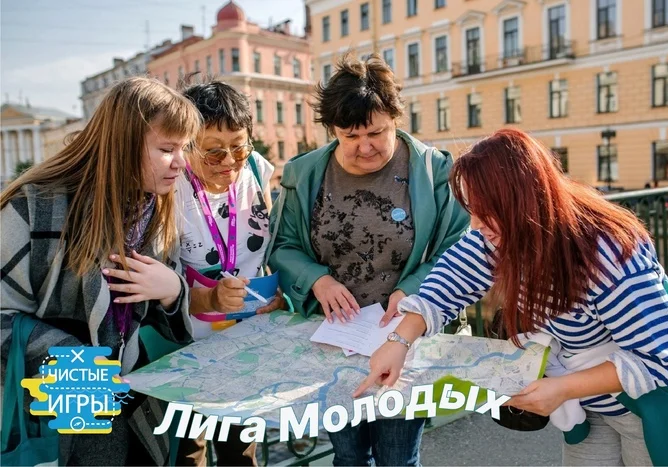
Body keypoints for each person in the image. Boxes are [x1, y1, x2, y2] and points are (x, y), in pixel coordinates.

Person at [356, 128, 668, 466]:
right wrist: (399, 341)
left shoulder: (605, 253)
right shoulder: (503, 233)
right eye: (471, 209)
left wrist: (561, 389)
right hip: (592, 404)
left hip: (651, 404)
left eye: (486, 212)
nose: (475, 226)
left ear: (524, 203)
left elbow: (661, 359)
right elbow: (449, 281)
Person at [268, 53, 469, 466]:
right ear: (333, 131)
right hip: (335, 342)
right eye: (349, 136)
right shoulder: (304, 173)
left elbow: (458, 250)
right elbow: (283, 245)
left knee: (398, 457)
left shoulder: (433, 170)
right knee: (348, 456)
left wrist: (412, 290)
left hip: (404, 338)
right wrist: (317, 280)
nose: (365, 147)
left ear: (396, 116)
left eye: (376, 132)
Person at [0, 77, 201, 465]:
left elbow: (168, 322)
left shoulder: (154, 208)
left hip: (131, 405)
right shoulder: (33, 205)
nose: (182, 162)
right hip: (56, 408)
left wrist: (172, 289)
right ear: (122, 146)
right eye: (167, 148)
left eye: (183, 148)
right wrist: (76, 360)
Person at [174, 78, 285, 466]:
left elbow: (272, 245)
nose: (229, 162)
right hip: (187, 347)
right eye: (213, 152)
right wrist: (209, 297)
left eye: (238, 146)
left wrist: (278, 291)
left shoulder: (256, 168)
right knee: (190, 453)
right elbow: (158, 273)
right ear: (187, 145)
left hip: (247, 342)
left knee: (242, 453)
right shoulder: (170, 189)